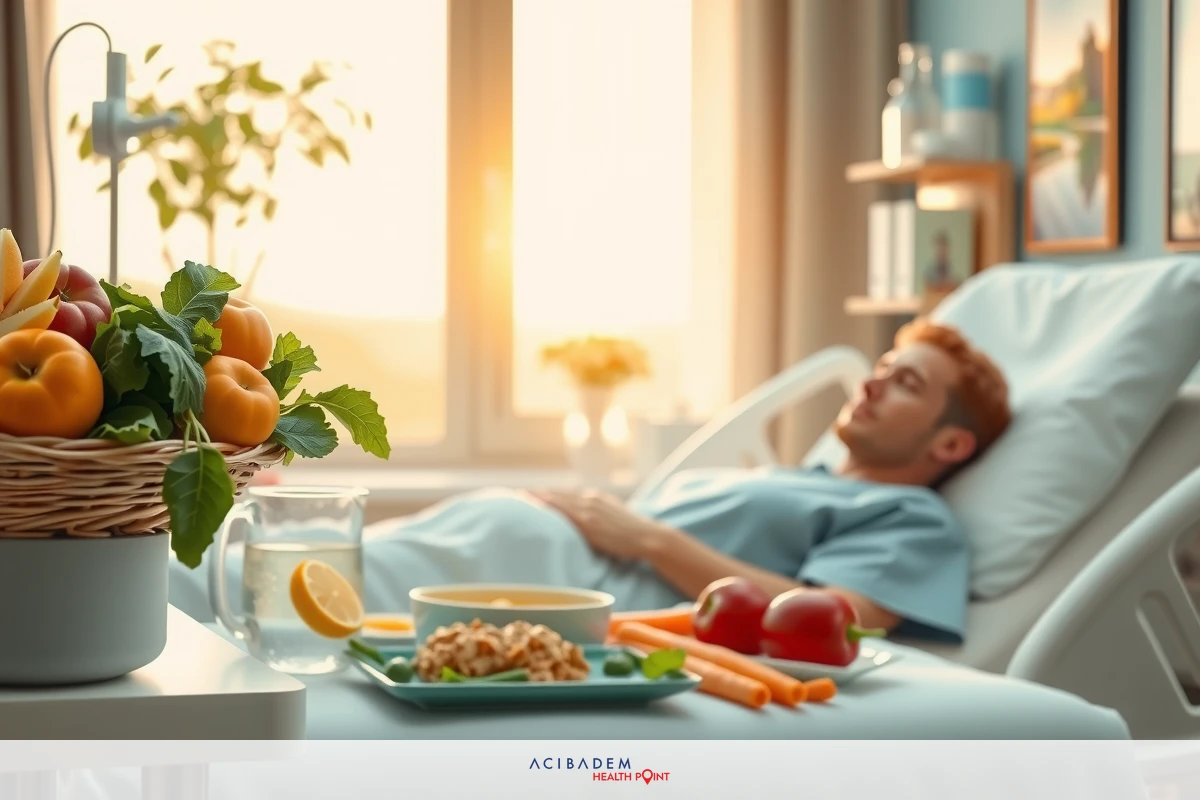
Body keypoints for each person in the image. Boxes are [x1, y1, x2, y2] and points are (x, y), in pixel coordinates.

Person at [172, 320, 1012, 645]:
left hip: (573, 583)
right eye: (885, 365)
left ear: (951, 441)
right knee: (271, 573)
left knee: (258, 590)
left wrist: (643, 536)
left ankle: (121, 599)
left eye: (907, 383)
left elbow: (836, 624)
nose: (870, 381)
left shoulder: (912, 519)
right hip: (543, 545)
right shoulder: (808, 478)